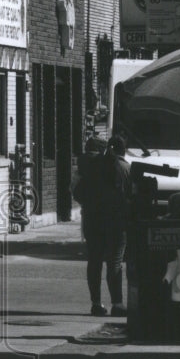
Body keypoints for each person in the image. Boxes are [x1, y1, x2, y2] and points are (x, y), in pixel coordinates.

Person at [75, 136, 132, 318]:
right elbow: (131, 195)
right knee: (114, 262)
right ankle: (117, 303)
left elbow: (76, 191)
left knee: (94, 261)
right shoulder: (124, 168)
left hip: (92, 219)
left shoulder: (89, 168)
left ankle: (96, 304)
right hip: (116, 221)